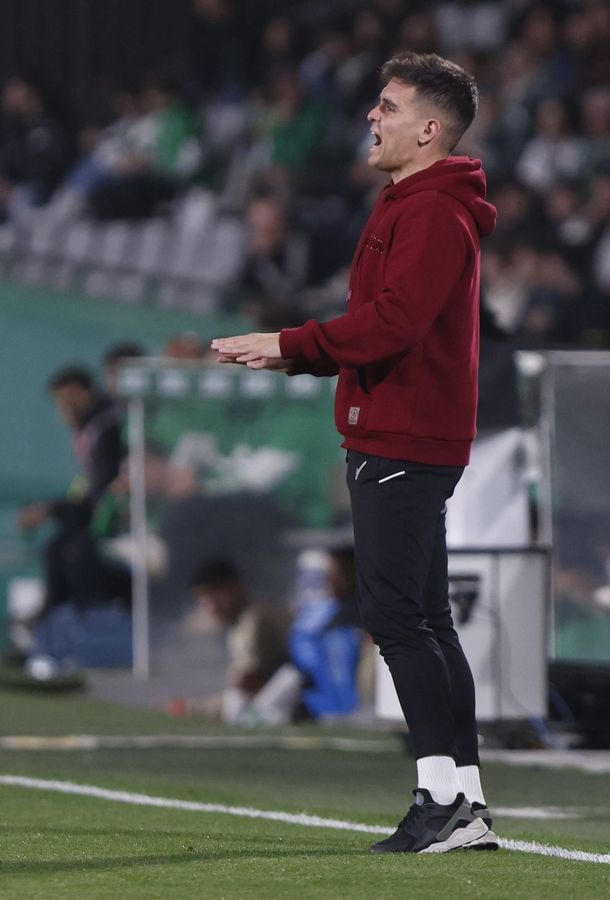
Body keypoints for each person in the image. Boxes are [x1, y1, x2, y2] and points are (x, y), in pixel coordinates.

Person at [211, 52, 499, 854]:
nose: (372, 117)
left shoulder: (433, 212)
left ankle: (439, 798)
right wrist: (298, 353)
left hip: (403, 435)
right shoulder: (420, 204)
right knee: (426, 620)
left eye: (389, 106)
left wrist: (291, 342)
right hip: (407, 430)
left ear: (429, 129)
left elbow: (395, 322)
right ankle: (466, 801)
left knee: (397, 620)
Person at [18, 366, 128, 617]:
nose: (64, 407)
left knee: (73, 550)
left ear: (84, 393)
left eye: (69, 397)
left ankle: (76, 622)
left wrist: (49, 510)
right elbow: (85, 490)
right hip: (103, 516)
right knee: (59, 545)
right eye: (59, 400)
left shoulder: (107, 427)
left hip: (121, 520)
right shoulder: (90, 431)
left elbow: (100, 493)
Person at [181, 558, 294, 724]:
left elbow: (246, 680)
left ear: (234, 589)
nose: (207, 605)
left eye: (211, 595)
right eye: (202, 598)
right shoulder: (239, 625)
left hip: (297, 694)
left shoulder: (256, 619)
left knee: (238, 705)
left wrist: (194, 707)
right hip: (282, 695)